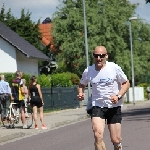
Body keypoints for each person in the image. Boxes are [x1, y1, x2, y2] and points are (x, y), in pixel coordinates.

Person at [77, 46, 130, 150]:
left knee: (116, 139)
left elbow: (126, 83)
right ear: (93, 56)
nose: (99, 58)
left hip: (114, 106)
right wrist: (80, 93)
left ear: (106, 56)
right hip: (97, 105)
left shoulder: (113, 68)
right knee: (98, 135)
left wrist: (118, 96)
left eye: (101, 56)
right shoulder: (89, 70)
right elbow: (81, 84)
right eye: (96, 56)